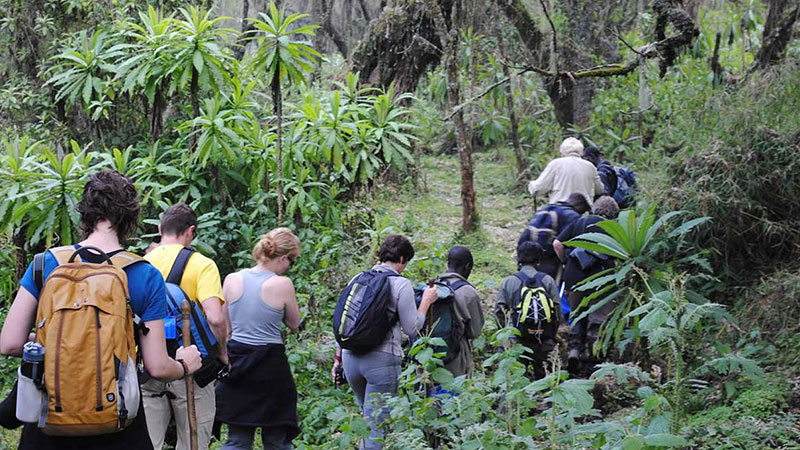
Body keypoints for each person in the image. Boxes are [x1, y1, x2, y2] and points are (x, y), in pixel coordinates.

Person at [0, 170, 202, 450]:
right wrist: (184, 365)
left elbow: (9, 343)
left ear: (84, 212)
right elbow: (157, 366)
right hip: (117, 420)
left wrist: (59, 339)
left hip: (49, 420)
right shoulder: (144, 274)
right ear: (131, 217)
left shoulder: (45, 264)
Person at [331, 235, 437, 450]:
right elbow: (412, 328)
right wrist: (426, 302)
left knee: (367, 421)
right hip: (381, 362)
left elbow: (347, 320)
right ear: (401, 259)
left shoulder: (358, 278)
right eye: (406, 262)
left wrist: (338, 359)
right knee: (377, 427)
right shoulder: (400, 284)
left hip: (350, 360)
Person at [142, 203, 228, 450]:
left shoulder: (141, 265)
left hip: (150, 366)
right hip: (191, 364)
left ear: (160, 229)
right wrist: (222, 353)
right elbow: (215, 318)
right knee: (193, 442)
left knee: (148, 443)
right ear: (191, 231)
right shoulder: (202, 264)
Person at [215, 228, 301, 450]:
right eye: (291, 261)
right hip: (270, 366)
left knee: (237, 440)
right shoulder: (282, 284)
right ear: (282, 257)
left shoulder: (232, 279)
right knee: (276, 440)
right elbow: (294, 323)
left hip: (238, 362)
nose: (289, 267)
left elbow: (225, 327)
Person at [553, 196, 620, 374]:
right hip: (601, 277)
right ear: (614, 214)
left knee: (577, 314)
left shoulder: (579, 222)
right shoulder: (614, 228)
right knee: (598, 318)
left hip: (574, 275)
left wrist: (566, 261)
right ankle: (593, 359)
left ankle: (574, 351)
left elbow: (557, 244)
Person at [494, 242, 562, 380]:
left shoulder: (509, 281)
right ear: (539, 259)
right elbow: (557, 313)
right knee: (546, 381)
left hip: (515, 339)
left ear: (518, 259)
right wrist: (549, 334)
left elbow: (499, 312)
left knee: (515, 380)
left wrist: (507, 333)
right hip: (543, 340)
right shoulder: (548, 280)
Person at [436, 246, 485, 377]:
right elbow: (474, 332)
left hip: (430, 356)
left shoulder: (433, 286)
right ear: (467, 266)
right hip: (455, 358)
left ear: (448, 263)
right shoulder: (468, 292)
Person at [517, 193, 591, 278]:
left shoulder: (545, 208)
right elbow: (563, 244)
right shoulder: (572, 216)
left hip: (528, 252)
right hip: (548, 256)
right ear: (579, 206)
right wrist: (564, 261)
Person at [528, 137, 604, 206]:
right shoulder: (590, 167)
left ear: (562, 151)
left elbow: (539, 188)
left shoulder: (556, 164)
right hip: (582, 211)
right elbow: (600, 190)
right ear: (581, 151)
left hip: (560, 210)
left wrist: (531, 185)